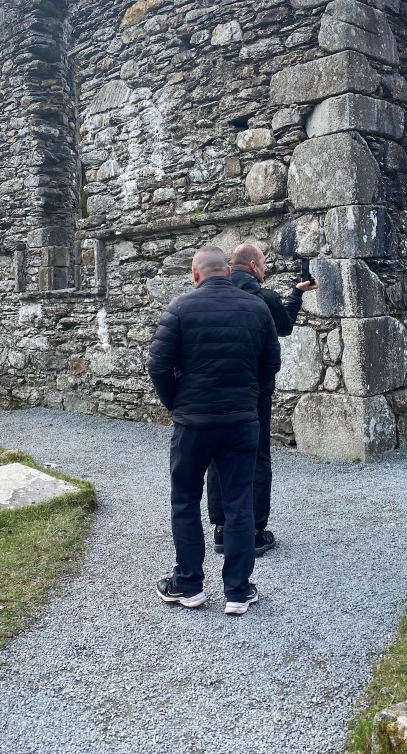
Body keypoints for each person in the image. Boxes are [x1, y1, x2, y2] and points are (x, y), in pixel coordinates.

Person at [147, 244, 280, 615]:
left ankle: (189, 585)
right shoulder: (257, 308)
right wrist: (249, 399)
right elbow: (271, 364)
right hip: (240, 422)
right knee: (239, 504)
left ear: (195, 274)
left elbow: (158, 366)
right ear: (226, 271)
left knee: (185, 501)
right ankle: (238, 591)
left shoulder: (179, 308)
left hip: (194, 424)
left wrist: (177, 404)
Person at [207, 242, 319, 557]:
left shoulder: (209, 295)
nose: (266, 268)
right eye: (265, 263)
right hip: (253, 394)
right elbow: (283, 329)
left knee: (218, 456)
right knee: (256, 457)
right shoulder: (264, 298)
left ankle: (221, 530)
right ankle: (254, 532)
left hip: (215, 392)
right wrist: (298, 294)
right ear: (255, 267)